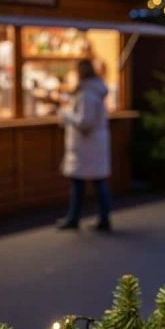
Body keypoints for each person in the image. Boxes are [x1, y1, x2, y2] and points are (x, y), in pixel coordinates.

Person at [56, 59, 113, 231]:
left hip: (87, 146)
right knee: (94, 181)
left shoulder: (87, 94)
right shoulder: (93, 91)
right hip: (93, 145)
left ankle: (78, 218)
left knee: (84, 182)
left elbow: (85, 122)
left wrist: (66, 115)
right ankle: (96, 218)